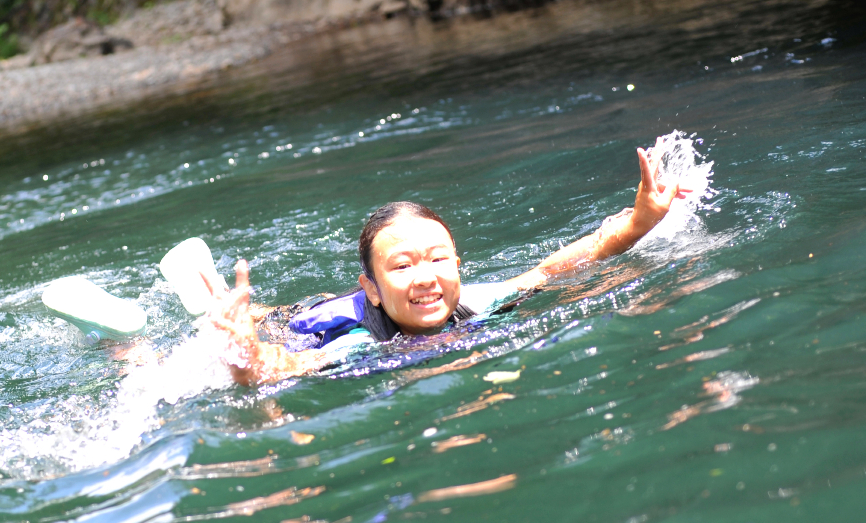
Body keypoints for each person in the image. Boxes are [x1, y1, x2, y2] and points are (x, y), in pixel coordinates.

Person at [204, 146, 688, 386]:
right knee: (267, 319)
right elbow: (281, 366)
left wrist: (636, 225)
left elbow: (548, 272)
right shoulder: (360, 344)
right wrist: (244, 354)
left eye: (439, 259)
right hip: (308, 323)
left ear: (458, 263)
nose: (426, 277)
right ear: (372, 287)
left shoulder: (475, 301)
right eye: (402, 266)